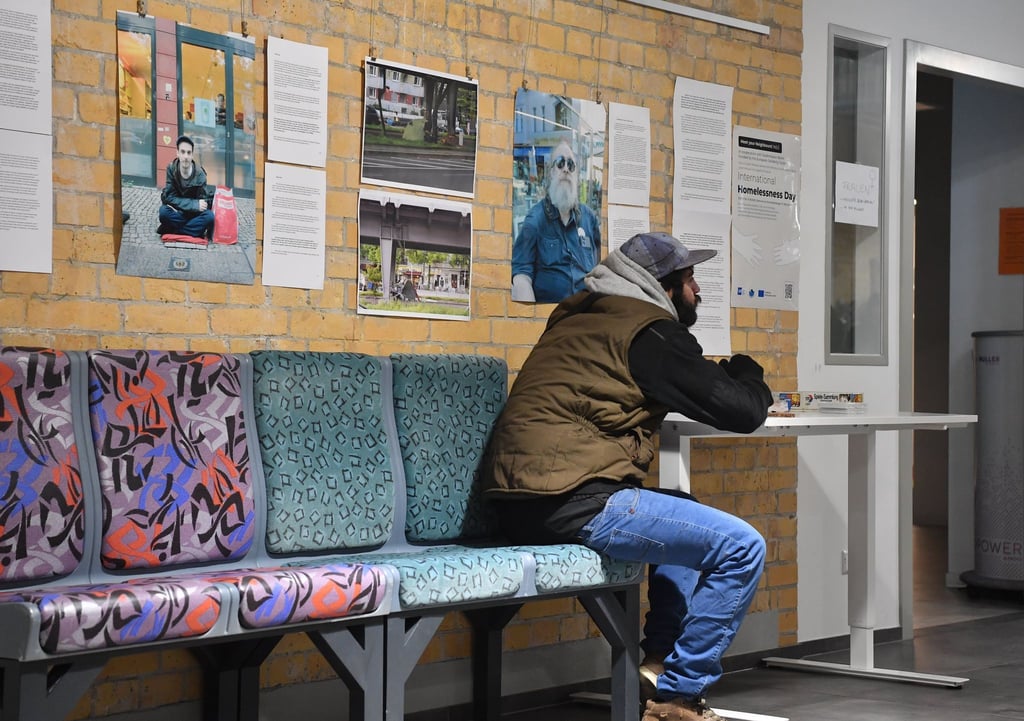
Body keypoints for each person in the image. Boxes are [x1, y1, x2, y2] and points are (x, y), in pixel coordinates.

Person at [483, 232, 773, 721]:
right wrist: (749, 372)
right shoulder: (649, 333)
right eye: (690, 280)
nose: (698, 291)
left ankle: (658, 663)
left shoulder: (587, 319)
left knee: (686, 510)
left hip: (523, 499)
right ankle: (677, 698)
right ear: (663, 285)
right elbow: (741, 410)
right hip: (572, 498)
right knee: (742, 548)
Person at [511, 141, 601, 303]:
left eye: (571, 165)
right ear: (551, 172)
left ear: (576, 175)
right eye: (560, 163)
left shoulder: (589, 219)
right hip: (552, 318)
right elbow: (521, 277)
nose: (566, 169)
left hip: (587, 315)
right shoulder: (535, 220)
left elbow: (599, 270)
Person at [157, 135, 214, 239]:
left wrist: (196, 206)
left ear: (192, 155)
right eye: (182, 152)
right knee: (163, 213)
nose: (186, 156)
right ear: (177, 153)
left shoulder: (200, 174)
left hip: (194, 215)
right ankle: (193, 231)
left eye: (189, 153)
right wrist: (193, 204)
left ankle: (174, 230)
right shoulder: (171, 169)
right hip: (178, 212)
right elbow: (169, 197)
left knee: (209, 217)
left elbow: (203, 203)